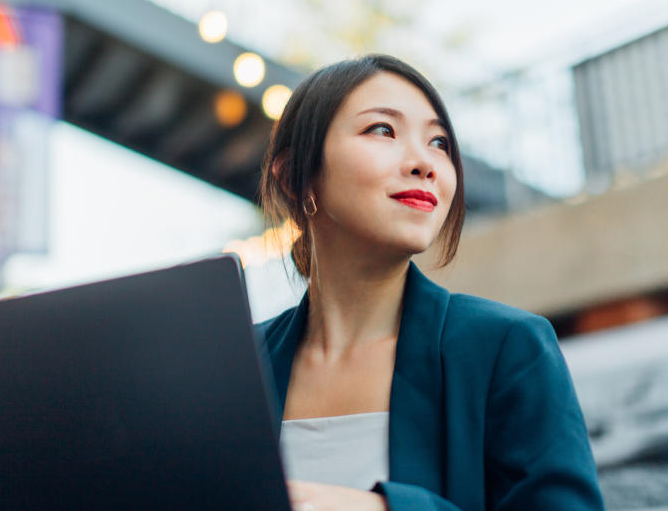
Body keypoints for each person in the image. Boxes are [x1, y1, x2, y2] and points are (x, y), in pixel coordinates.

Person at [256, 54, 604, 511]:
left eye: (439, 142)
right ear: (295, 176)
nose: (425, 162)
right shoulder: (241, 365)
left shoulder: (506, 347)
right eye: (382, 129)